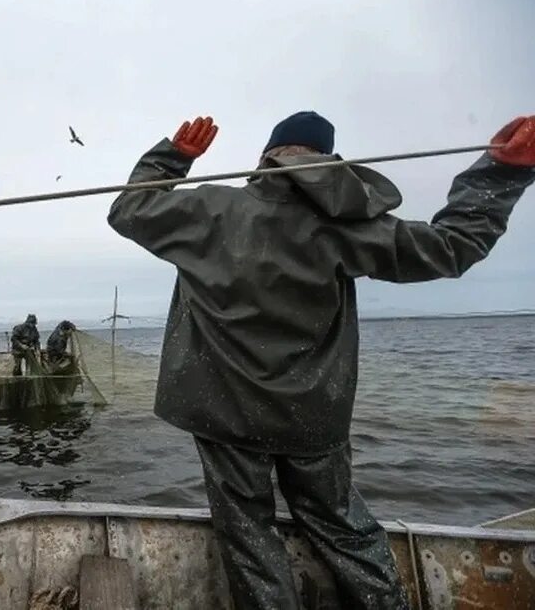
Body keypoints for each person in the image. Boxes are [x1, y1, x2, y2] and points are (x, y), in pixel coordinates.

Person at [107, 113, 535, 609]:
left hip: (224, 415)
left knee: (249, 537)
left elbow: (129, 209)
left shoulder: (209, 209)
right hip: (313, 419)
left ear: (264, 158)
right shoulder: (348, 227)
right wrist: (499, 174)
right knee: (344, 529)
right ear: (329, 162)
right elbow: (453, 246)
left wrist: (174, 157)